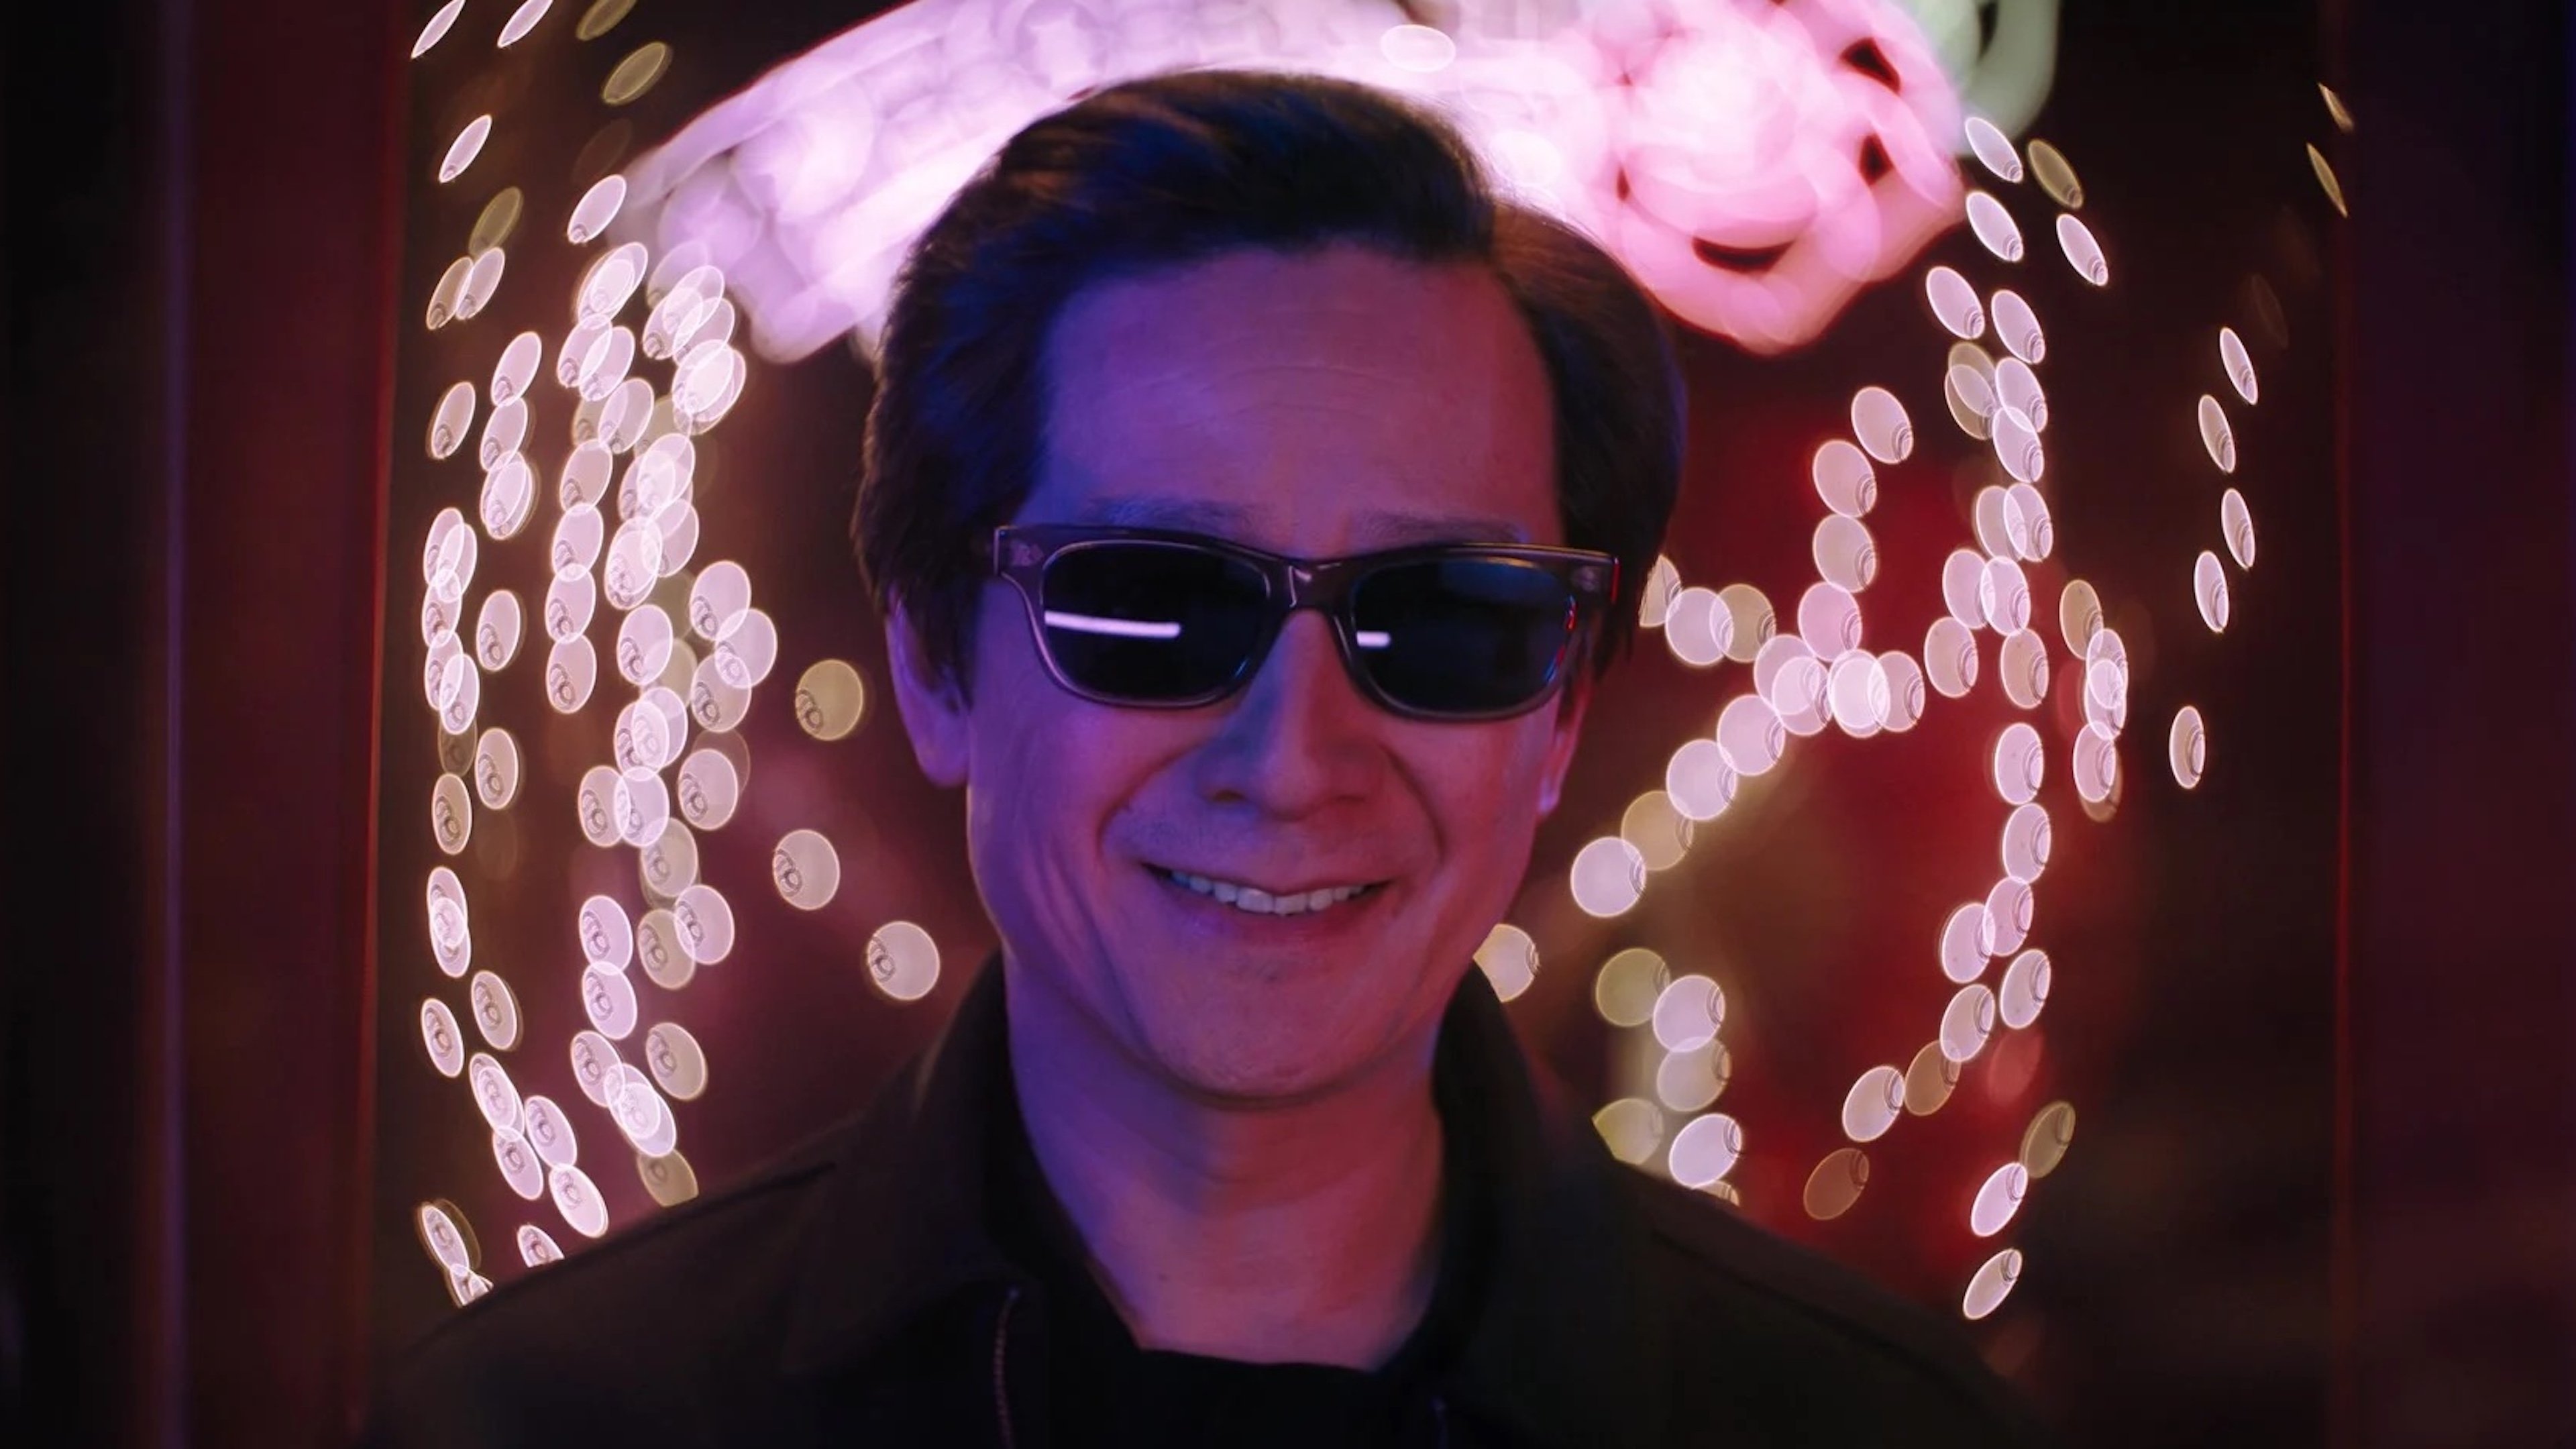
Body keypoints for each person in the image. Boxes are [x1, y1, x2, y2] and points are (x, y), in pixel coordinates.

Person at [364, 68, 2053, 1447]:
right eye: (1154, 605)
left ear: (1558, 714)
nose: (1293, 756)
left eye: (1442, 619)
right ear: (935, 662)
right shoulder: (551, 1426)